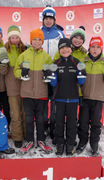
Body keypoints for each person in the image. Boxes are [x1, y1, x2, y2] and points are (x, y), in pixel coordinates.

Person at [14, 29, 53, 154]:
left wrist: (49, 74)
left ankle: (41, 140)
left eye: (39, 40)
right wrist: (22, 73)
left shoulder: (46, 57)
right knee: (29, 118)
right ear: (31, 41)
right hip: (27, 93)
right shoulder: (24, 55)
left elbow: (52, 74)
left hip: (42, 93)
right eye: (34, 39)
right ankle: (30, 140)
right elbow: (15, 71)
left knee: (41, 118)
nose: (37, 42)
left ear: (42, 41)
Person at [76, 36, 104, 156]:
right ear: (89, 48)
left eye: (98, 47)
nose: (95, 49)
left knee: (96, 124)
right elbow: (78, 82)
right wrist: (80, 95)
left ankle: (94, 144)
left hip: (98, 98)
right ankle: (82, 142)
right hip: (85, 98)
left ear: (101, 49)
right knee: (83, 122)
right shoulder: (84, 62)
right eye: (93, 47)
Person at [50, 38, 86, 156]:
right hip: (59, 98)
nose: (65, 50)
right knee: (59, 122)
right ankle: (59, 143)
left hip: (73, 99)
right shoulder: (55, 64)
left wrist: (81, 75)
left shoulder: (77, 63)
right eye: (62, 48)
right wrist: (52, 77)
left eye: (67, 47)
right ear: (59, 50)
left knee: (71, 123)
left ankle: (70, 143)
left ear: (71, 49)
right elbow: (53, 84)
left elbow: (81, 82)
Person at [0, 25, 26, 148]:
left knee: (26, 113)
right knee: (15, 114)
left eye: (16, 37)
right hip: (12, 87)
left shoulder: (25, 49)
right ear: (9, 38)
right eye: (12, 37)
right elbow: (2, 72)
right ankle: (17, 137)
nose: (14, 40)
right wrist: (2, 64)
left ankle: (26, 135)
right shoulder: (4, 50)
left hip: (25, 86)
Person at [41, 5, 65, 140]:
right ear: (43, 19)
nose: (48, 21)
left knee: (55, 102)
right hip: (42, 74)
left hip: (56, 74)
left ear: (54, 19)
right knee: (44, 101)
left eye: (50, 18)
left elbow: (65, 52)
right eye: (46, 18)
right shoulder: (38, 32)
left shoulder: (60, 34)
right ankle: (44, 126)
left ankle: (54, 126)